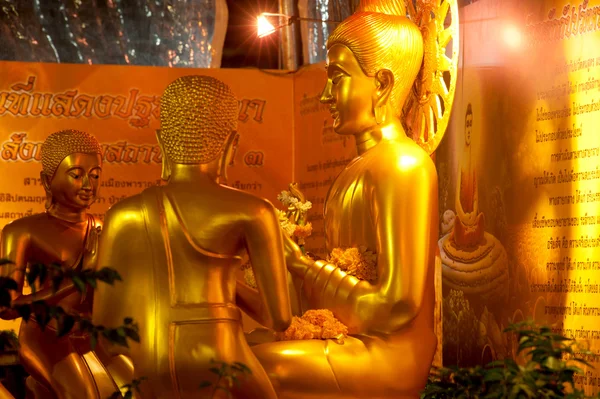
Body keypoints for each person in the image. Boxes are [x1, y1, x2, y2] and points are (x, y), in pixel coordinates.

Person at [239, 0, 450, 397]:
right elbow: (322, 307)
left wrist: (302, 265)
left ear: (383, 84)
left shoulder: (404, 164)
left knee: (254, 369)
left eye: (336, 78)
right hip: (351, 337)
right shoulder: (351, 175)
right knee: (227, 355)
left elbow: (397, 305)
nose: (324, 96)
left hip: (391, 351)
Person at [92, 75, 292, 399]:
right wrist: (225, 281)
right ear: (231, 144)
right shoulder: (253, 211)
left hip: (149, 362)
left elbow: (103, 325)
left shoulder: (122, 214)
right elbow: (278, 318)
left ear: (160, 142)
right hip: (224, 359)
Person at [0, 129, 120, 398]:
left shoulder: (102, 228)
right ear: (47, 180)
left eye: (96, 175)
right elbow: (6, 308)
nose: (88, 184)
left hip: (92, 335)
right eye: (77, 175)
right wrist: (76, 277)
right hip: (47, 337)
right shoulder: (22, 231)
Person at [453, 103, 486, 248]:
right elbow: (456, 200)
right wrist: (463, 216)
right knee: (459, 229)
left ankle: (471, 233)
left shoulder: (474, 161)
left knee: (480, 219)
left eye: (471, 124)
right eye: (467, 124)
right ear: (463, 128)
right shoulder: (461, 159)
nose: (468, 129)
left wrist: (472, 214)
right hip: (462, 217)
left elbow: (475, 196)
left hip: (471, 219)